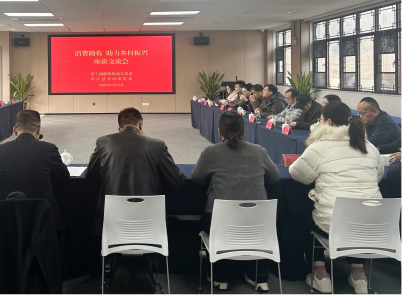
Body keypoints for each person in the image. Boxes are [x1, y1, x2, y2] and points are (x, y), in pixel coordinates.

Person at [86, 108, 185, 293]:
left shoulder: (103, 142)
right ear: (141, 125)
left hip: (113, 218)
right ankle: (147, 266)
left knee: (112, 224)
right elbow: (177, 180)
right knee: (153, 223)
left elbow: (90, 176)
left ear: (119, 128)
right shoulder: (157, 145)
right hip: (148, 221)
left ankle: (117, 265)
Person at [289, 102, 382, 294]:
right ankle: (359, 275)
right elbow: (378, 175)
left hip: (334, 222)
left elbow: (297, 173)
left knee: (308, 216)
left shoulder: (321, 146)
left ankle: (320, 274)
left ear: (329, 122)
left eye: (321, 119)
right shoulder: (369, 146)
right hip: (372, 223)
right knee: (356, 217)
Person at [192, 111, 280, 291]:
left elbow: (197, 178)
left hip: (220, 222)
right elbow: (274, 178)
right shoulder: (259, 151)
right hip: (258, 223)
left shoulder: (211, 152)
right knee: (257, 230)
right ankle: (259, 277)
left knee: (215, 225)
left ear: (219, 131)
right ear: (244, 131)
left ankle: (220, 277)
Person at [0, 110, 70, 232]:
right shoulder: (49, 149)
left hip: (7, 217)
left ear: (15, 130)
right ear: (38, 129)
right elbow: (64, 177)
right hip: (42, 219)